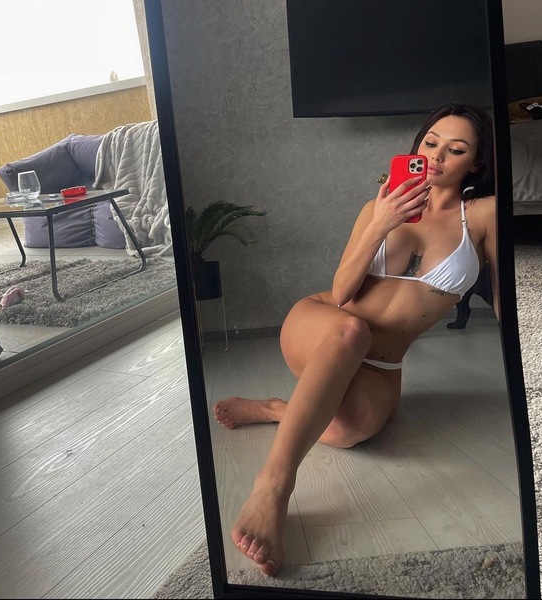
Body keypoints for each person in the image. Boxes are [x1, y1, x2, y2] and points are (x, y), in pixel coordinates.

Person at [212, 103, 499, 576]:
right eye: (430, 143)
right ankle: (273, 486)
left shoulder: (484, 215)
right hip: (324, 323)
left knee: (351, 431)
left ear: (477, 162)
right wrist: (382, 221)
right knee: (352, 329)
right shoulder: (377, 207)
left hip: (382, 364)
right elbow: (344, 290)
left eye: (456, 149)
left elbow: (509, 295)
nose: (437, 157)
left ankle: (277, 409)